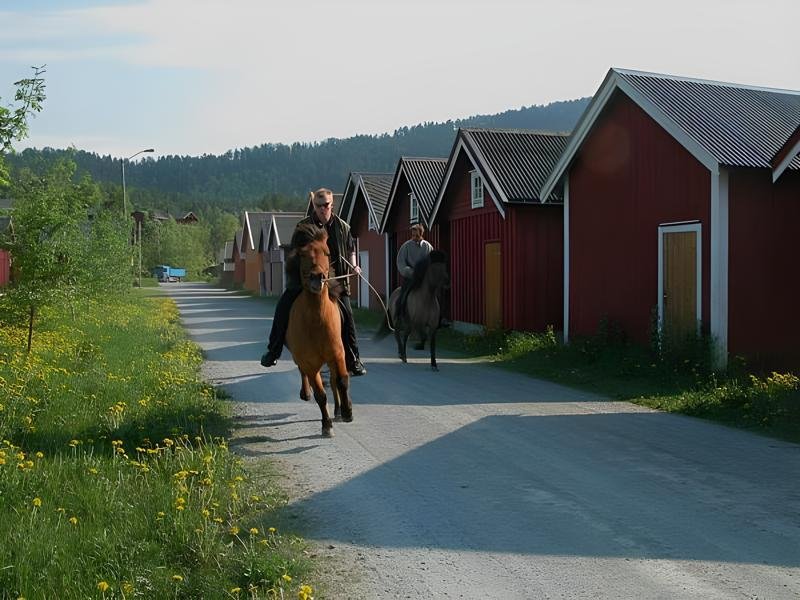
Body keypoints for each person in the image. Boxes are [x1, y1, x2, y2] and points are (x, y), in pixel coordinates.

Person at [261, 188, 367, 376]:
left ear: (331, 204)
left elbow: (351, 250)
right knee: (283, 307)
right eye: (318, 206)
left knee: (348, 316)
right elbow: (294, 254)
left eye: (325, 205)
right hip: (305, 279)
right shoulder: (303, 227)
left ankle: (353, 359)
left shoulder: (343, 227)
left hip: (334, 279)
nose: (322, 209)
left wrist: (354, 266)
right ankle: (273, 350)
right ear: (314, 205)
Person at [395, 223, 433, 321]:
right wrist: (408, 271)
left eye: (416, 236)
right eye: (412, 235)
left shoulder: (427, 247)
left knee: (435, 293)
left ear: (421, 235)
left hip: (424, 278)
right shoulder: (406, 246)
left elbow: (432, 261)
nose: (414, 238)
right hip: (410, 277)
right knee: (403, 294)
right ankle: (399, 314)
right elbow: (401, 262)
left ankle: (438, 318)